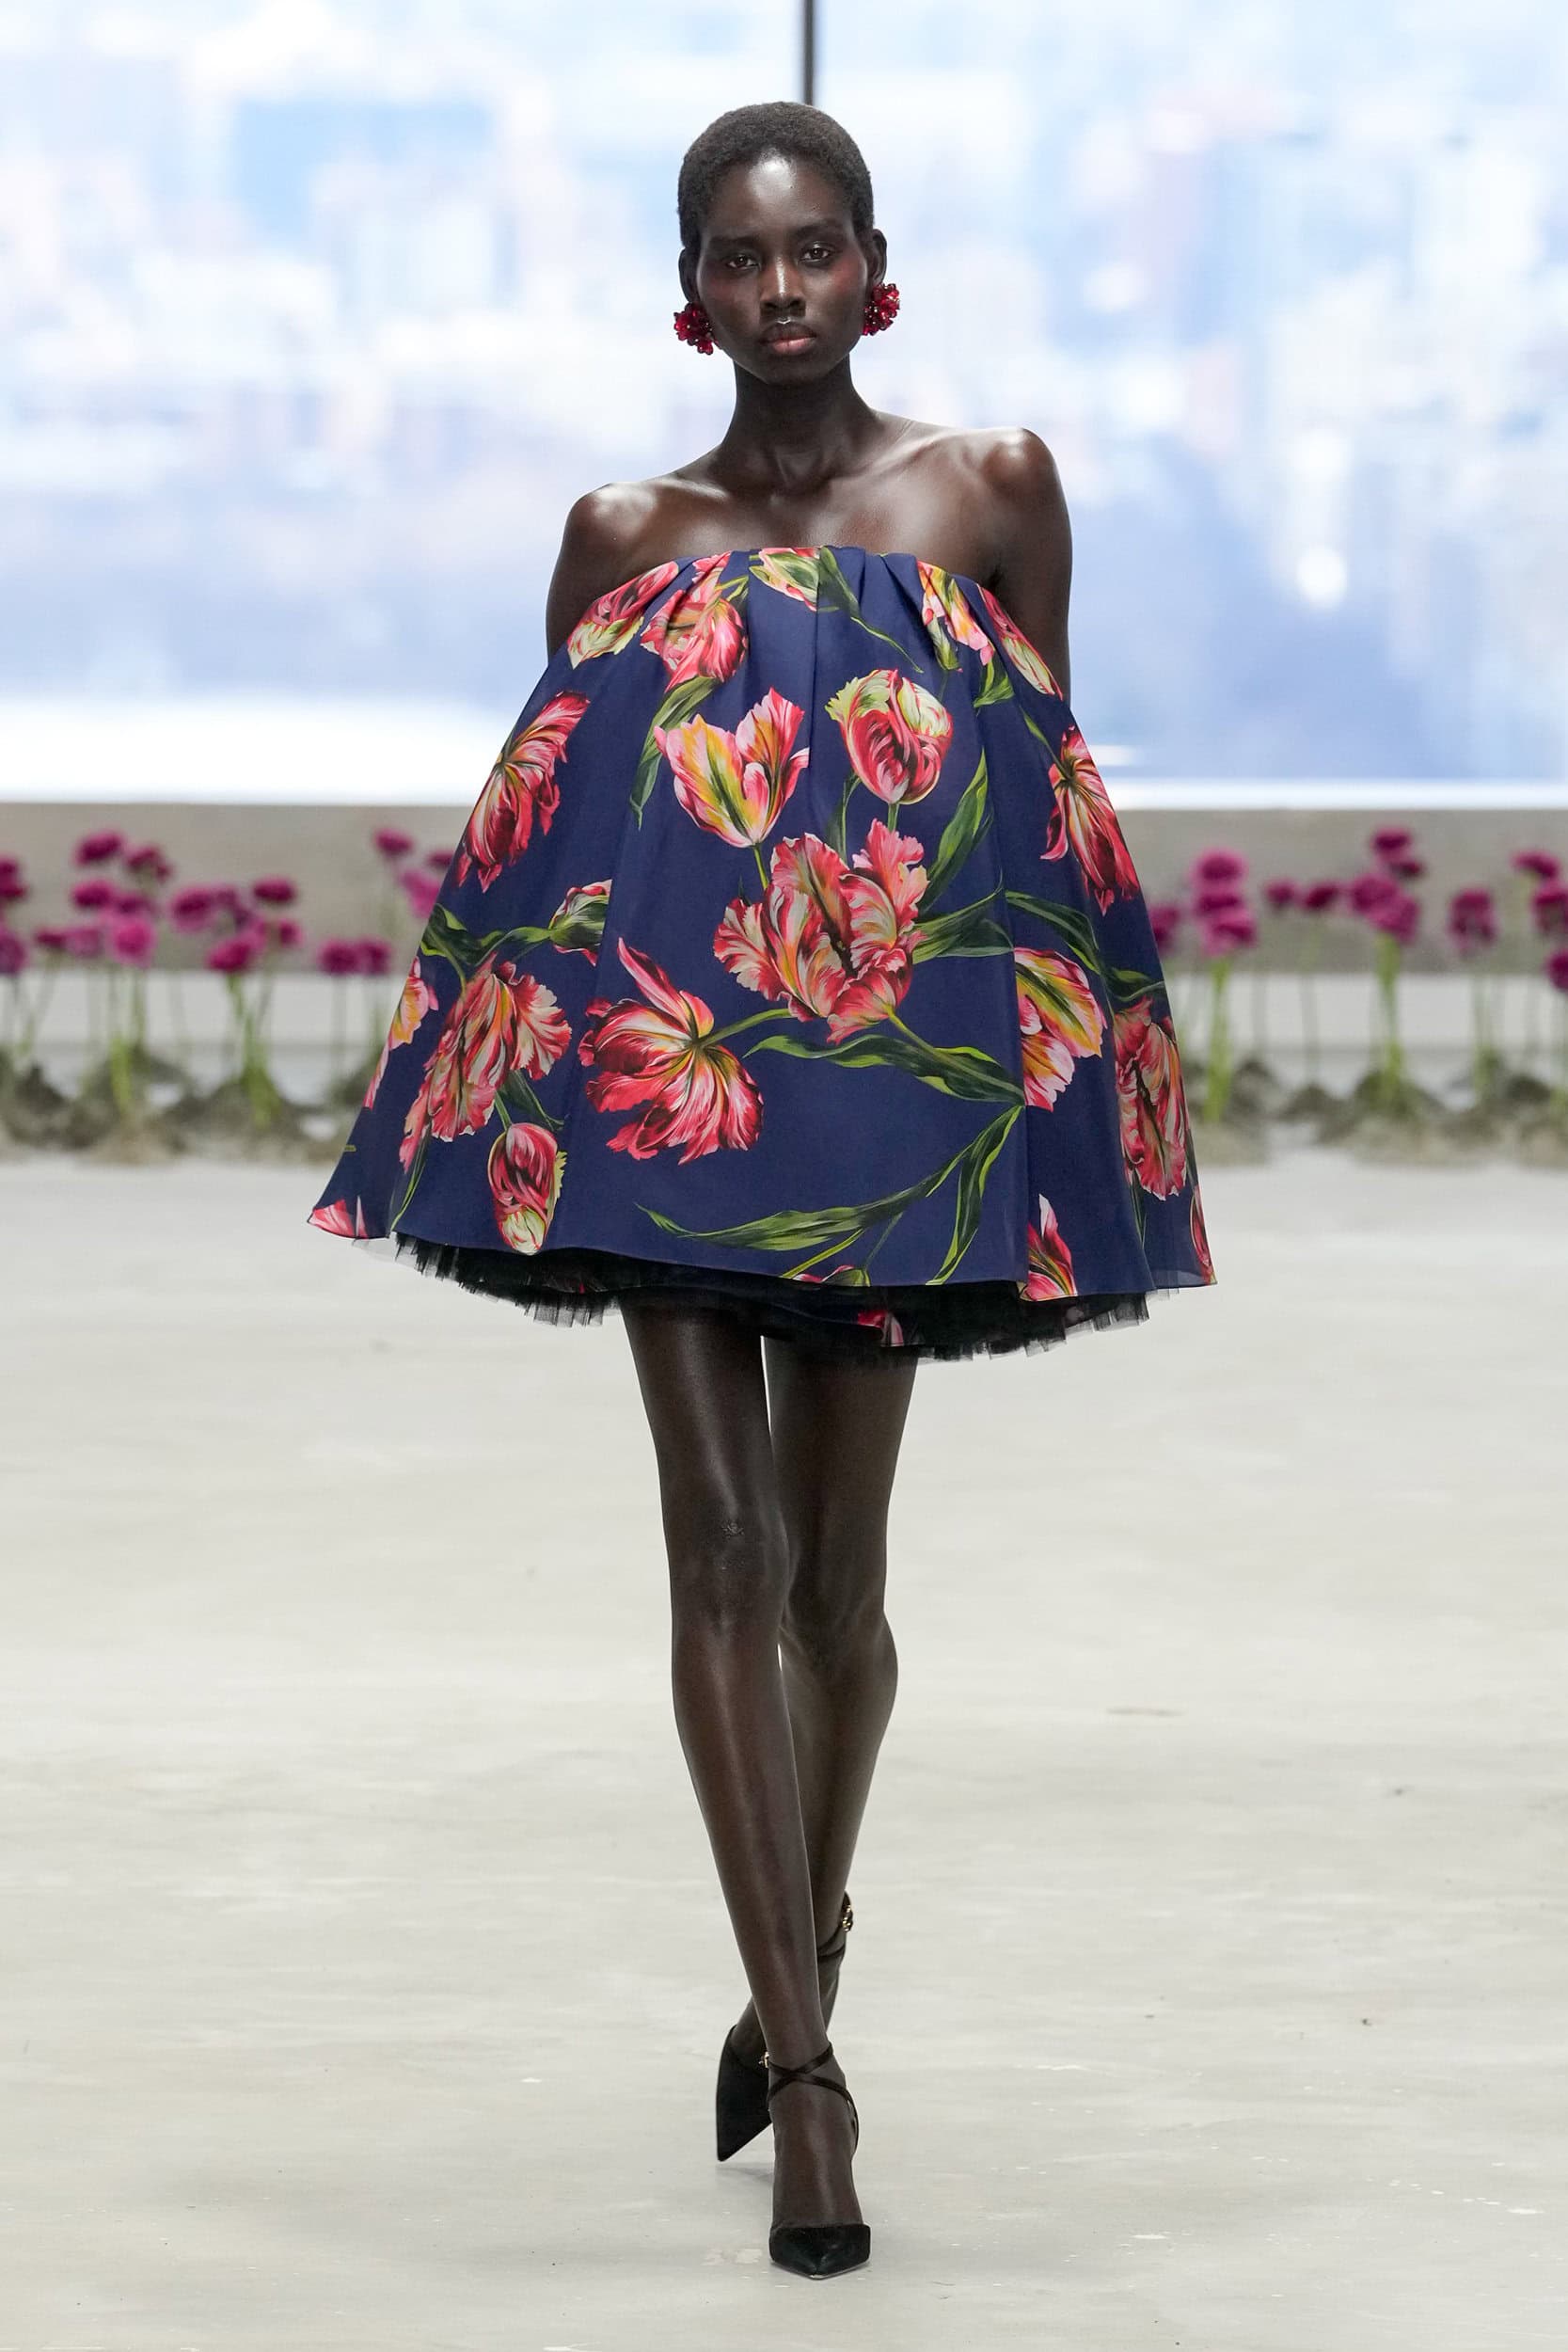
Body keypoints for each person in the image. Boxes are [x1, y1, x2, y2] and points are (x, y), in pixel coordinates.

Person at [309, 100, 1216, 2280]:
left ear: (876, 268)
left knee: (836, 1588)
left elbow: (1036, 801)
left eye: (813, 249)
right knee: (718, 1549)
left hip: (886, 1102)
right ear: (689, 291)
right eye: (741, 254)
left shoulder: (992, 488)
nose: (781, 287)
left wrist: (1059, 1093)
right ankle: (809, 2077)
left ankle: (802, 1920)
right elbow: (559, 825)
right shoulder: (625, 530)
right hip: (668, 1093)